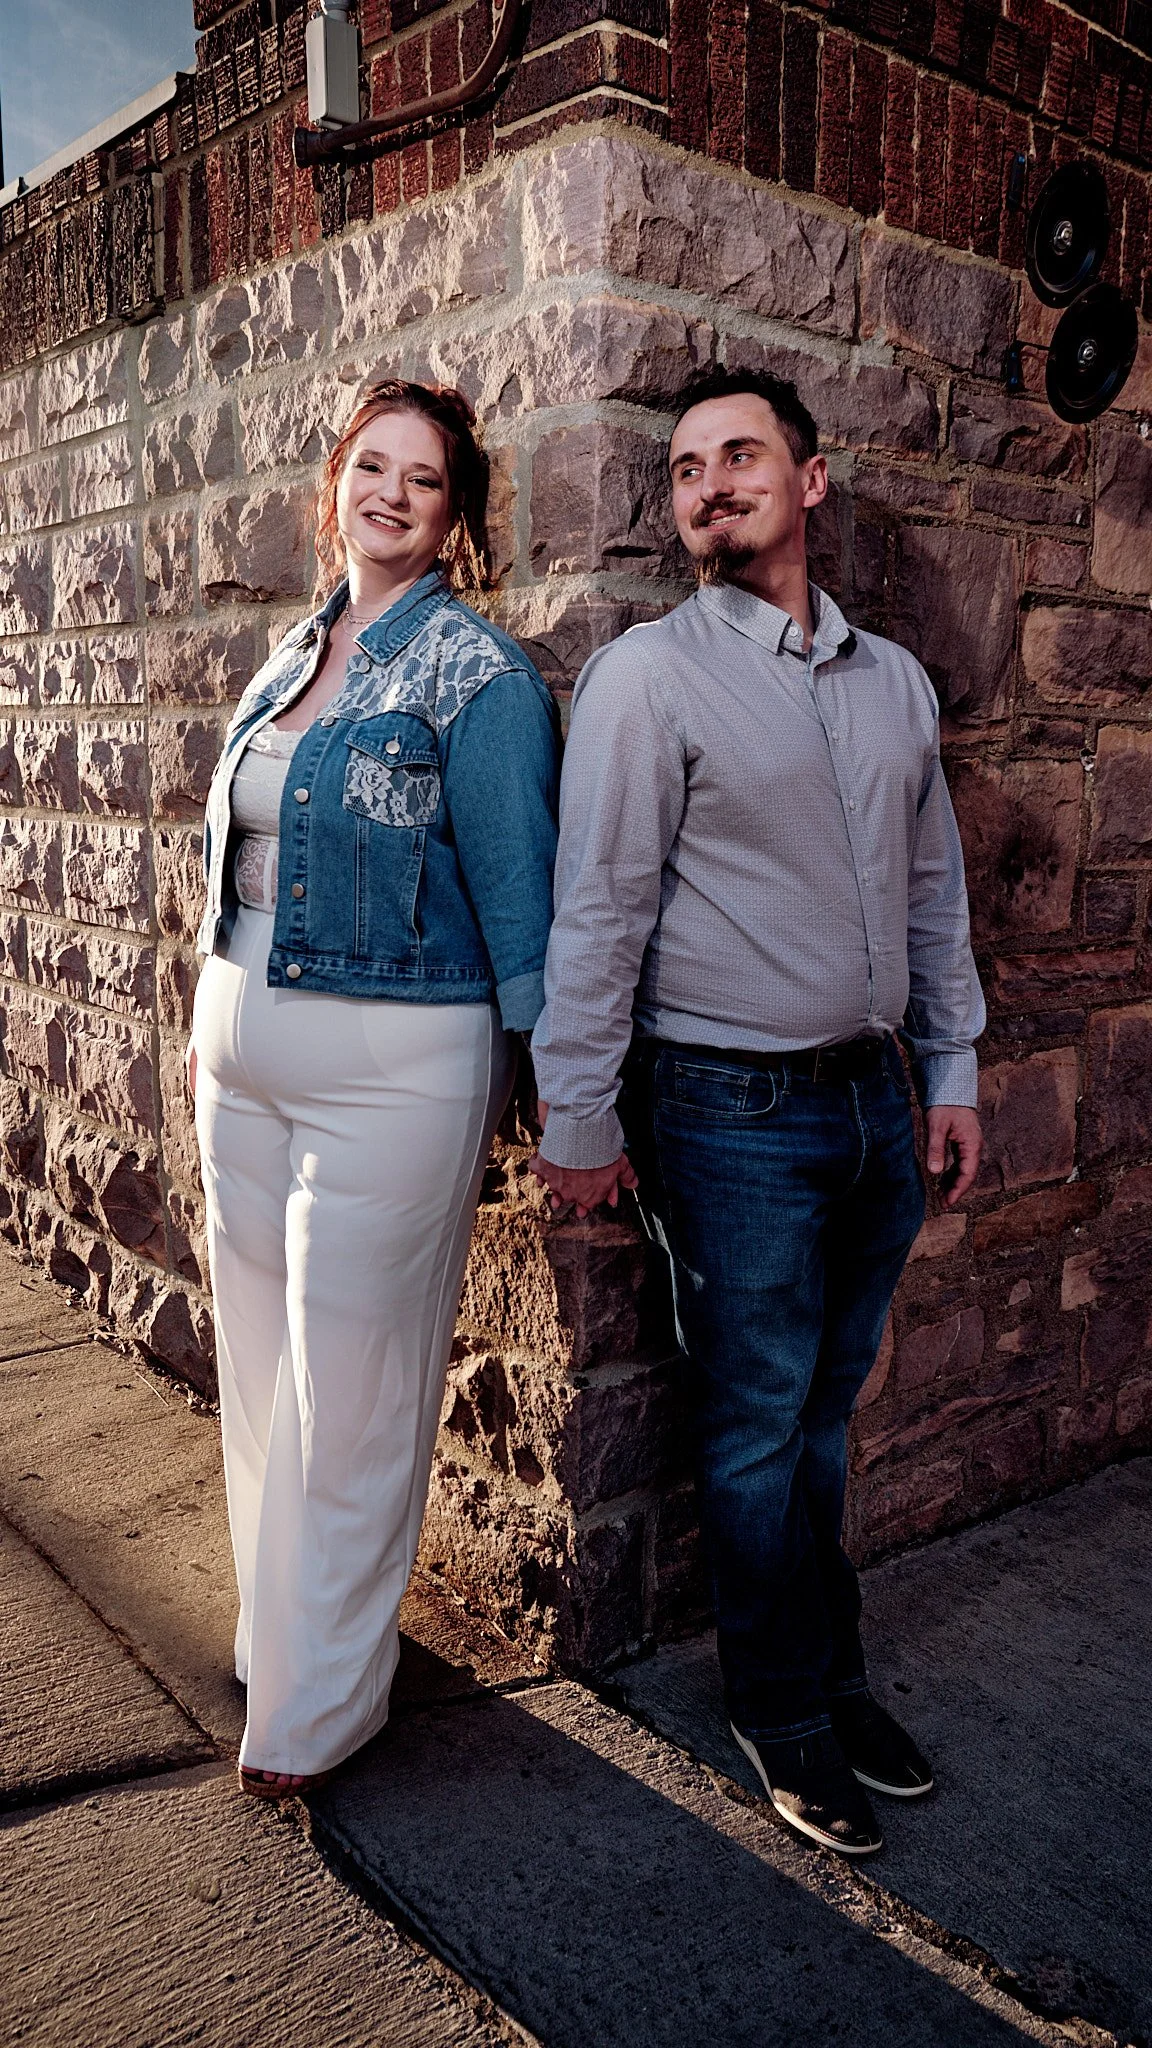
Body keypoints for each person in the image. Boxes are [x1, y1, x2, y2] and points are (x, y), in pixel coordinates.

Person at [529, 367, 985, 1858]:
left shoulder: (895, 683)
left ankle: (830, 1677)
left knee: (821, 1427)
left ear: (812, 482)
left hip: (873, 1104)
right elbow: (596, 912)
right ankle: (782, 1707)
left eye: (741, 454)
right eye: (683, 469)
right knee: (749, 1431)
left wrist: (956, 1069)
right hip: (726, 1110)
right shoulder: (649, 679)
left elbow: (934, 898)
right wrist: (580, 1117)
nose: (710, 483)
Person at [188, 380, 560, 1798]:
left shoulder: (481, 677)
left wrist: (564, 1101)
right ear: (335, 481)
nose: (391, 493)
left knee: (353, 1395)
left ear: (456, 514)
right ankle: (279, 1639)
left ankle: (319, 1714)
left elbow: (524, 909)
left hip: (393, 1076)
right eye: (371, 466)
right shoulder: (286, 654)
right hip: (240, 1059)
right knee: (261, 1378)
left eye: (424, 478)